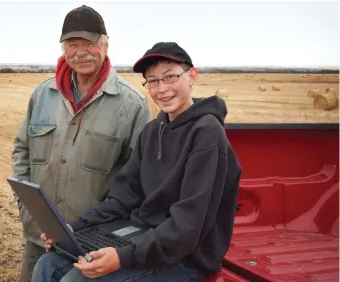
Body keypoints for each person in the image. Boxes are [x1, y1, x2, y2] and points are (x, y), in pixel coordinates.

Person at [32, 42, 242, 282]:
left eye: (170, 77)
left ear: (191, 76)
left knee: (76, 280)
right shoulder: (153, 131)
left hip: (187, 258)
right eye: (152, 81)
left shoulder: (207, 132)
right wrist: (73, 229)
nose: (161, 89)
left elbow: (188, 225)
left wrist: (123, 257)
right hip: (143, 240)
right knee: (48, 264)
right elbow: (123, 198)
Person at [10, 5, 152, 281]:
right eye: (72, 45)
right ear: (63, 48)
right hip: (39, 234)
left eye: (89, 43)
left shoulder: (132, 105)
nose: (81, 52)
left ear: (106, 44)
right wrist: (26, 207)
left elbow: (137, 180)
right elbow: (22, 151)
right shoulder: (43, 94)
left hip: (91, 241)